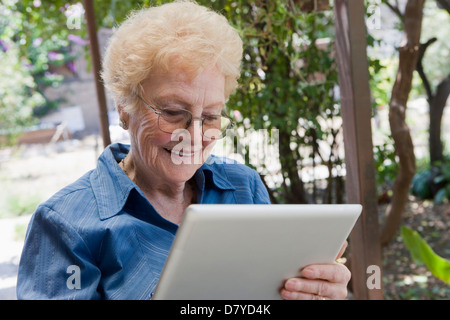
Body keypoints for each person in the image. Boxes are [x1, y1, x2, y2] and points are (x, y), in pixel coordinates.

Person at [17, 0, 350, 300]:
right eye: (173, 113)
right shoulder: (66, 222)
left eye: (210, 116)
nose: (194, 135)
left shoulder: (243, 188)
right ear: (124, 107)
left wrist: (314, 291)